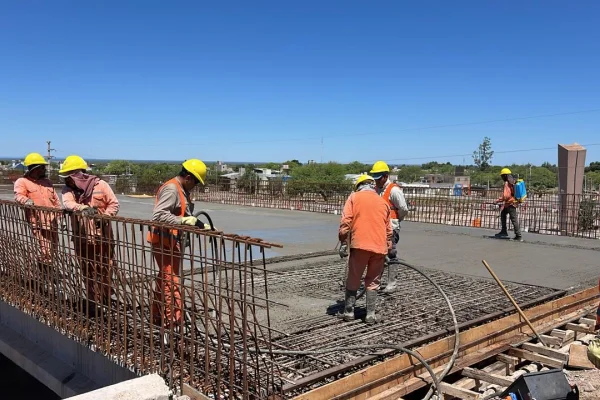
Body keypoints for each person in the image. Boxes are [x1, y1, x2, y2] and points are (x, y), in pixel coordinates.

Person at [147, 159, 208, 328]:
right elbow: (158, 216)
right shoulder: (172, 189)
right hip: (164, 243)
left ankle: (156, 316)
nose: (195, 186)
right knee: (171, 283)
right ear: (188, 177)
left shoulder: (180, 189)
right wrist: (184, 221)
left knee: (164, 279)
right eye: (195, 183)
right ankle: (172, 323)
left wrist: (201, 225)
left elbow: (184, 214)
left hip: (172, 242)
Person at [60, 155, 120, 311]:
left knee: (106, 268)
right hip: (82, 238)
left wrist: (105, 217)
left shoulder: (101, 185)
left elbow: (113, 204)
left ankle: (105, 299)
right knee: (88, 270)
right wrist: (82, 208)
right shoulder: (68, 190)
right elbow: (67, 203)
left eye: (69, 176)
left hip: (103, 237)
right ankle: (94, 303)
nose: (67, 180)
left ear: (78, 174)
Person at [338, 174, 392, 324]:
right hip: (379, 248)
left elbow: (346, 222)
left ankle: (349, 312)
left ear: (358, 186)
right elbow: (389, 231)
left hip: (360, 245)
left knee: (354, 277)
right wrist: (387, 248)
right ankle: (370, 315)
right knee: (373, 281)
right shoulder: (383, 202)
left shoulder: (354, 198)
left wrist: (343, 241)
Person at [13, 152, 62, 271]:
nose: (43, 169)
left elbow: (56, 201)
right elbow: (18, 195)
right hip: (38, 222)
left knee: (54, 249)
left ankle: (48, 272)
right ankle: (46, 273)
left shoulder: (47, 182)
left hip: (52, 221)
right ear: (34, 169)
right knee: (45, 249)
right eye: (41, 167)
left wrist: (61, 217)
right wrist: (26, 201)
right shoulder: (22, 182)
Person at [369, 161, 409, 293]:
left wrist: (396, 221)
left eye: (378, 178)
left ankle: (392, 284)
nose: (376, 181)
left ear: (385, 176)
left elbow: (403, 209)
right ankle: (376, 282)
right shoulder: (375, 190)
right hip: (377, 228)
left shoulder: (394, 190)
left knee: (391, 254)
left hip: (391, 228)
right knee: (378, 255)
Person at [495, 168, 523, 242]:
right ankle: (504, 231)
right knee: (503, 214)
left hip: (511, 204)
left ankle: (518, 235)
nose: (502, 178)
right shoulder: (513, 182)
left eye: (502, 176)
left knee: (514, 219)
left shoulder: (507, 183)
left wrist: (498, 200)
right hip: (511, 203)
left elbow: (506, 196)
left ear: (505, 176)